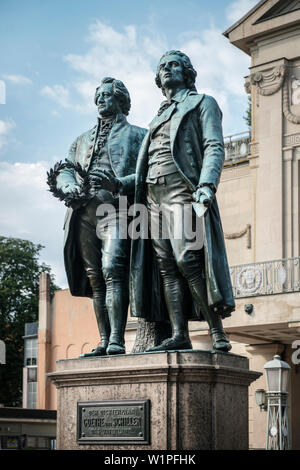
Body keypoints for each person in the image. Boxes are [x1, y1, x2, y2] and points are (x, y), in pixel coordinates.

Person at [130, 51, 235, 352]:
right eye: (162, 66)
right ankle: (179, 334)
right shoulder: (157, 116)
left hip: (181, 188)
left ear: (187, 72)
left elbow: (214, 146)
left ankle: (216, 330)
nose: (167, 69)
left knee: (187, 258)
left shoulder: (203, 103)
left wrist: (206, 184)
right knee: (166, 266)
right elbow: (143, 164)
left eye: (173, 64)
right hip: (152, 195)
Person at [55, 77, 147, 356]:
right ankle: (104, 340)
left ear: (121, 99)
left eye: (106, 96)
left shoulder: (138, 135)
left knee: (112, 269)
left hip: (117, 209)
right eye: (97, 97)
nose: (100, 101)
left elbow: (146, 175)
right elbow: (65, 170)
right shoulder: (80, 140)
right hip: (83, 212)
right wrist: (68, 184)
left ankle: (118, 339)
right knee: (95, 277)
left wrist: (120, 184)